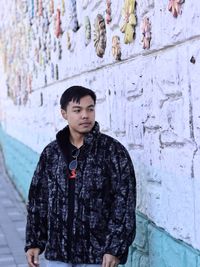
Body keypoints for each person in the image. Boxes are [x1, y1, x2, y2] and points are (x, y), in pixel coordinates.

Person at [25, 85, 136, 267]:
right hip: (57, 255)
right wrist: (34, 242)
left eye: (90, 109)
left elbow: (124, 203)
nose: (85, 115)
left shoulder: (113, 152)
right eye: (77, 110)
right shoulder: (51, 153)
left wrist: (114, 248)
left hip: (98, 257)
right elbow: (39, 199)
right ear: (64, 113)